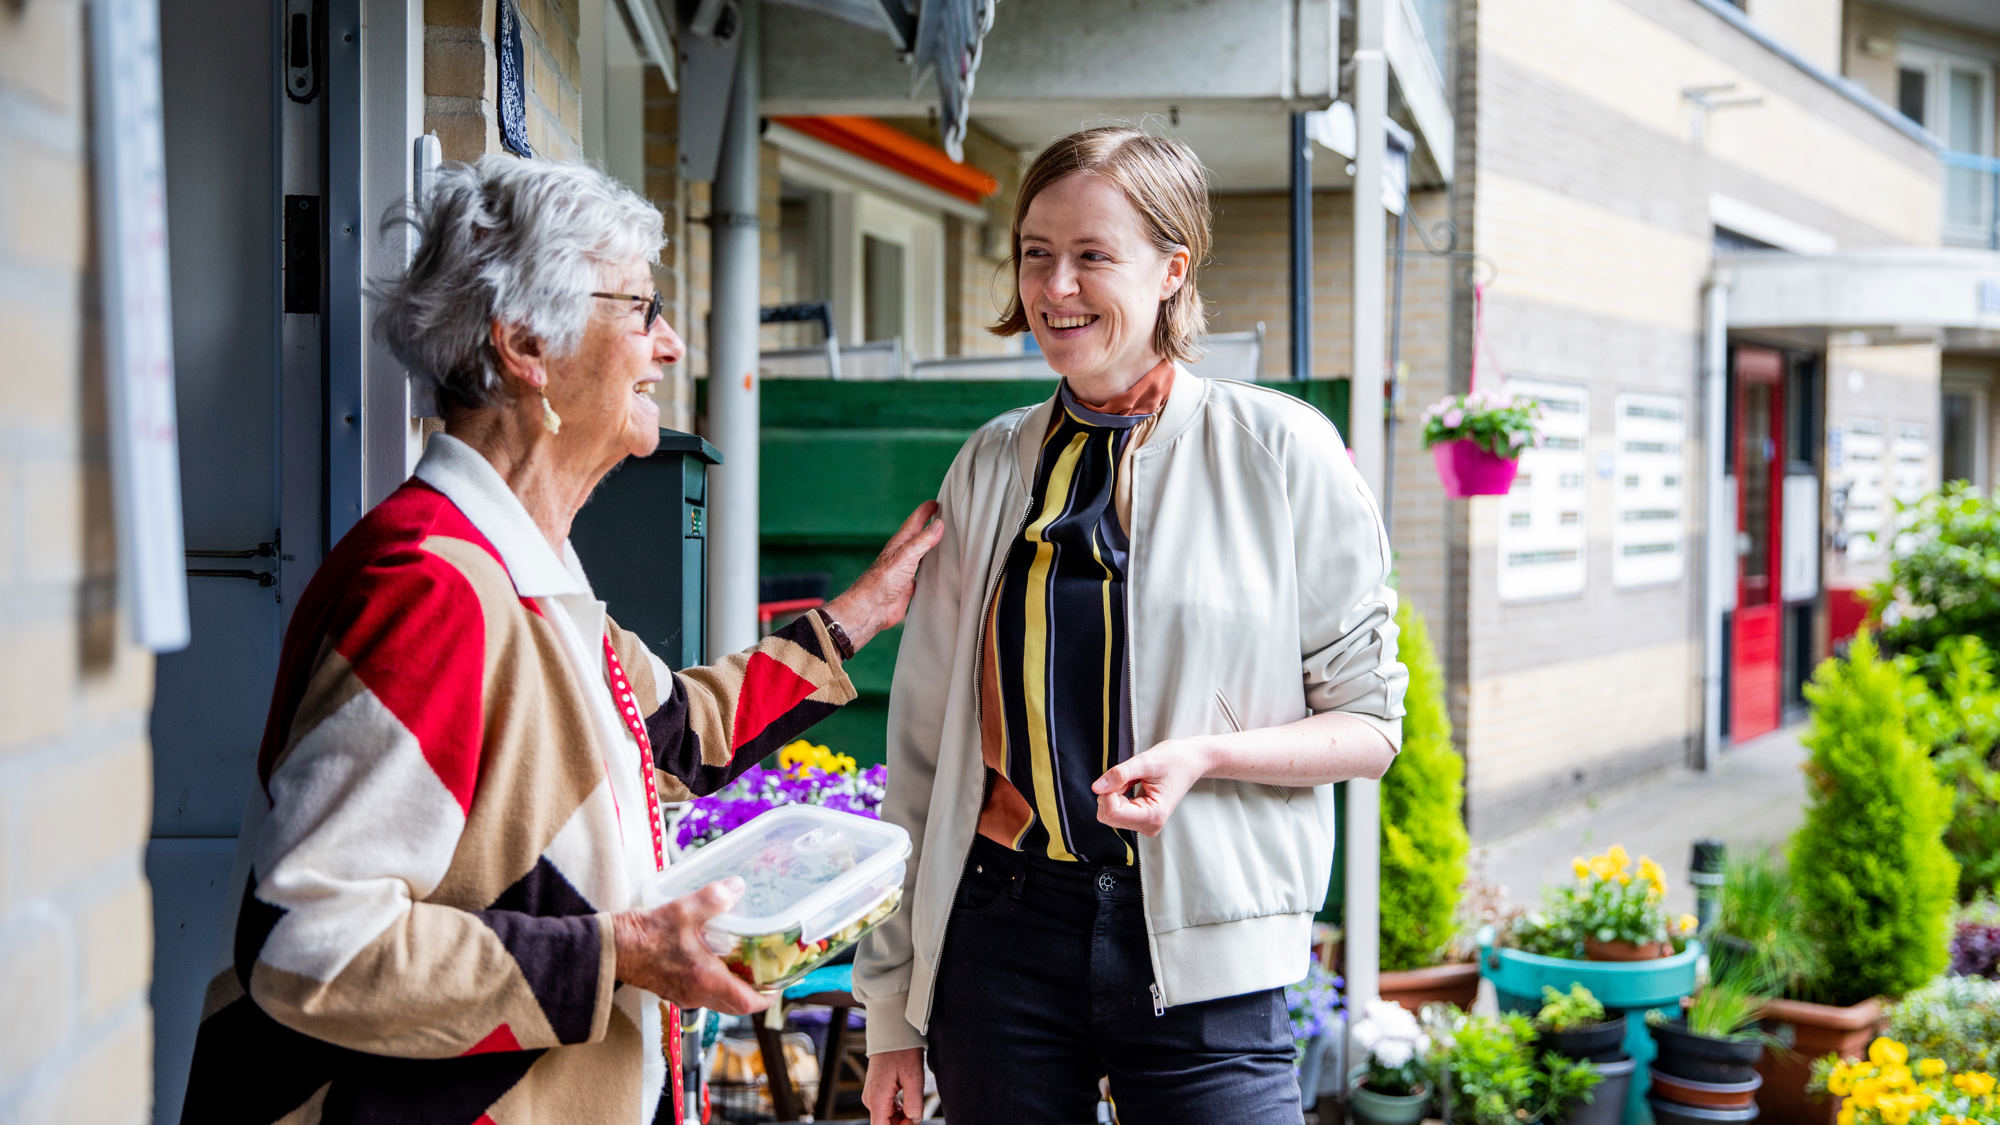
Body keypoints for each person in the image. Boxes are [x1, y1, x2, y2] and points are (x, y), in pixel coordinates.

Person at [179, 155, 942, 1124]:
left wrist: (862, 611)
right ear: (527, 344)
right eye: (640, 309)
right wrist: (618, 955)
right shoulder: (430, 589)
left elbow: (668, 732)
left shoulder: (524, 568)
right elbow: (309, 943)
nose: (667, 344)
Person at [854, 126, 1409, 1124]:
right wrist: (892, 1008)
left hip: (1206, 955)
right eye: (1034, 252)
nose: (1053, 286)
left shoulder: (1281, 451)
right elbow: (923, 755)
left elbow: (1368, 729)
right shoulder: (987, 467)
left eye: (1091, 255)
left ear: (1170, 269)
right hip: (999, 941)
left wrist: (1207, 753)